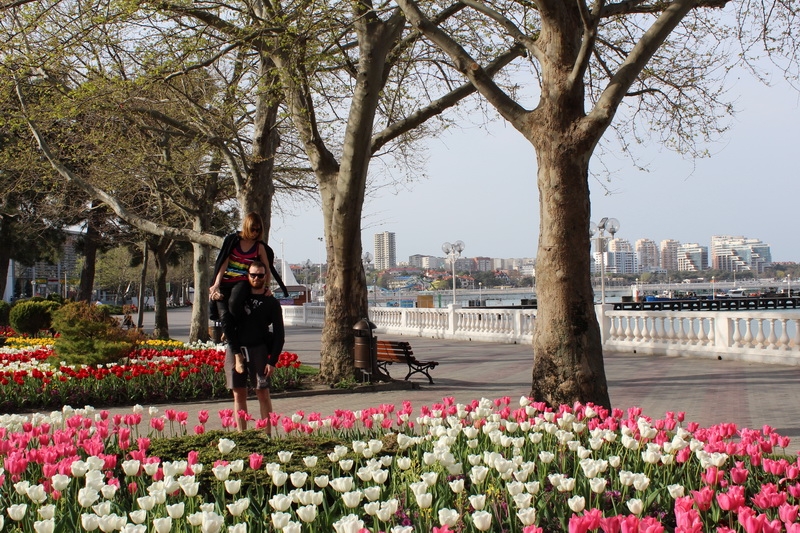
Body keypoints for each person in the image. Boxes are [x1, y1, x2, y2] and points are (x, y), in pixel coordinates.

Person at [209, 212, 287, 355]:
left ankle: (232, 330)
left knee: (234, 303)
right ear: (246, 227)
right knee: (224, 315)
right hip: (226, 281)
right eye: (252, 229)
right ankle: (230, 332)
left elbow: (266, 268)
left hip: (242, 281)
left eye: (258, 230)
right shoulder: (233, 241)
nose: (255, 233)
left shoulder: (259, 247)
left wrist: (267, 287)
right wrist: (216, 284)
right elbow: (223, 262)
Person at [225, 260, 285, 433]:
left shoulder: (271, 302)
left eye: (260, 275)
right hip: (235, 348)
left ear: (265, 277)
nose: (256, 278)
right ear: (247, 276)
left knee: (262, 393)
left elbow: (279, 334)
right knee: (238, 394)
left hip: (258, 349)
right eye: (253, 275)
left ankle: (267, 435)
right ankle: (242, 435)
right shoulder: (238, 294)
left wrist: (272, 360)